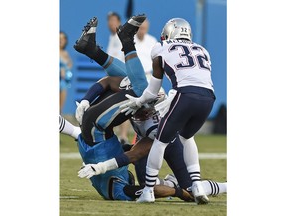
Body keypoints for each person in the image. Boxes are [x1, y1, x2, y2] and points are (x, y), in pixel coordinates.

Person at [73, 14, 218, 204]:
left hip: (157, 135)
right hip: (165, 117)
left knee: (182, 186)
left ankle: (96, 49)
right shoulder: (153, 107)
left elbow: (134, 154)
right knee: (188, 188)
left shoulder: (155, 131)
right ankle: (112, 45)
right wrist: (85, 101)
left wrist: (101, 167)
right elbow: (111, 82)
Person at [120, 18, 216, 204]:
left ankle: (148, 191)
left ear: (169, 32)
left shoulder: (161, 47)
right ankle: (196, 185)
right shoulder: (202, 50)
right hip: (209, 98)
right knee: (187, 137)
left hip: (185, 94)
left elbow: (152, 91)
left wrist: (139, 101)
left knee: (160, 142)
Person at [59, 115, 193, 201]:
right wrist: (177, 191)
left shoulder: (121, 191)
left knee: (82, 130)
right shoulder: (114, 190)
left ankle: (171, 183)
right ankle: (171, 182)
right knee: (76, 132)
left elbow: (151, 189)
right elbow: (151, 188)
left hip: (101, 155)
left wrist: (177, 193)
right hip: (91, 157)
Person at [106, 11, 132, 144]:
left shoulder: (120, 36)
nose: (111, 23)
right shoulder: (112, 37)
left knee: (124, 106)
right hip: (113, 77)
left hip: (122, 76)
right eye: (109, 21)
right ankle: (116, 135)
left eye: (113, 20)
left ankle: (123, 136)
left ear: (119, 22)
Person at [60, 31, 73, 114]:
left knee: (60, 109)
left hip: (63, 84)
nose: (60, 41)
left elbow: (70, 64)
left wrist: (65, 70)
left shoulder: (65, 53)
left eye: (62, 39)